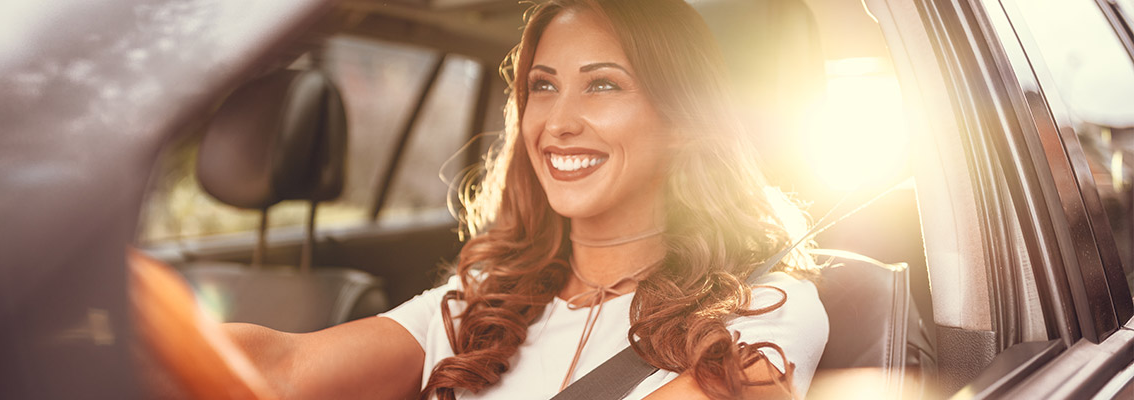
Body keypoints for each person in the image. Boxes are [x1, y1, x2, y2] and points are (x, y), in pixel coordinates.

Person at [224, 0, 828, 398]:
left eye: (603, 84)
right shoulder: (480, 304)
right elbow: (281, 368)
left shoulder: (764, 308)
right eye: (544, 87)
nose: (558, 122)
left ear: (681, 120)